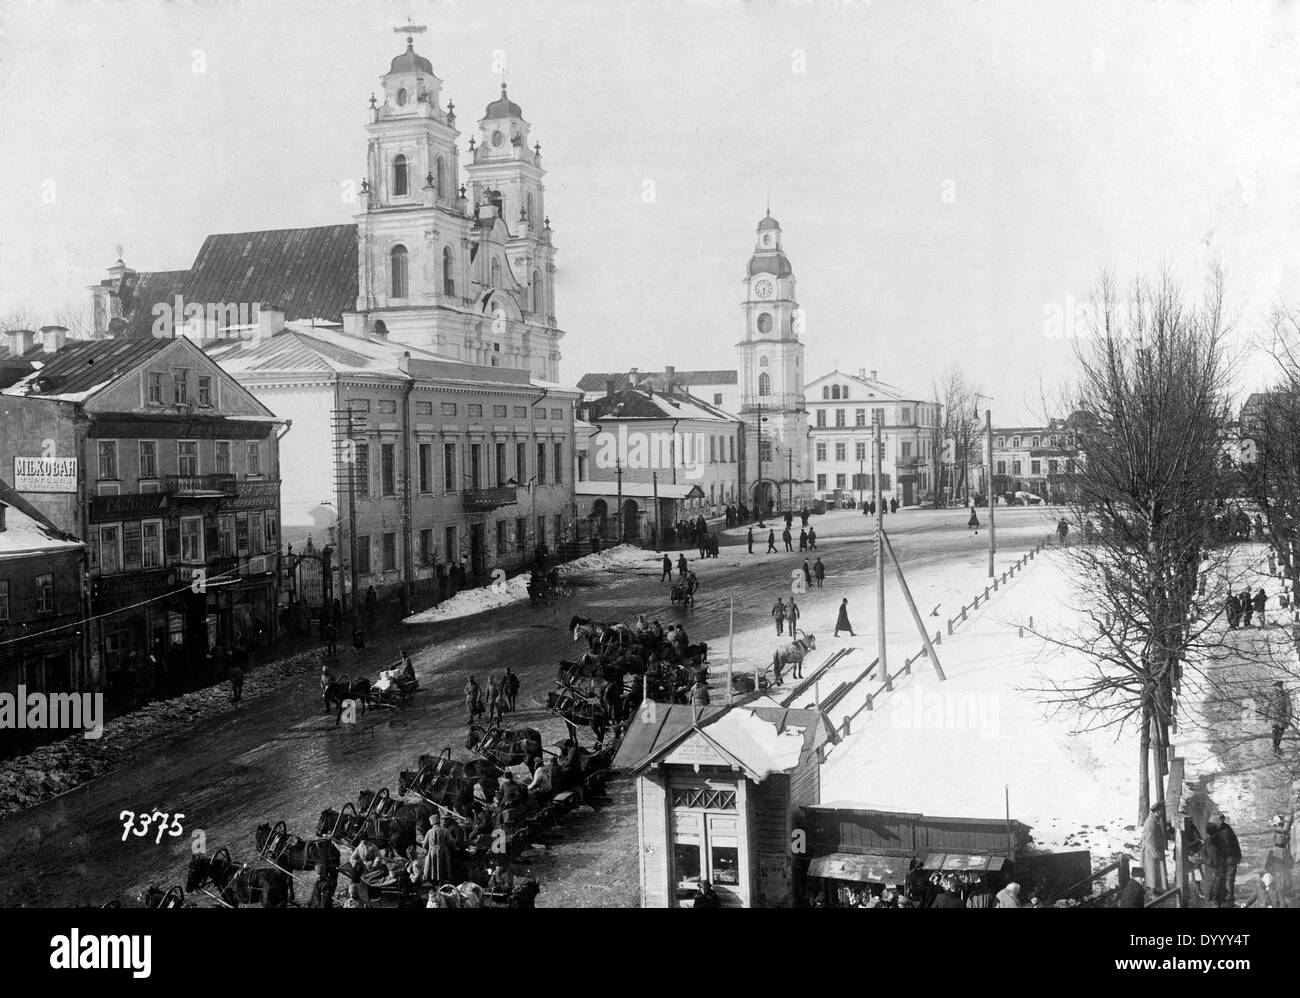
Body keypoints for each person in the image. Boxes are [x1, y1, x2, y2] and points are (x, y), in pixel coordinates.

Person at [1208, 812, 1242, 907]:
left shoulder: (1225, 831)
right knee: (1221, 878)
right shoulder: (1222, 829)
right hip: (1227, 858)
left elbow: (1228, 847)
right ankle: (1221, 899)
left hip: (1231, 858)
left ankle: (1228, 900)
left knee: (1228, 879)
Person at [1141, 801, 1168, 891]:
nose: (1162, 812)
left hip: (1154, 851)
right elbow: (1150, 840)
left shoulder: (1155, 820)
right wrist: (1156, 853)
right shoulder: (1151, 822)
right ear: (1157, 811)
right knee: (1151, 872)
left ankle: (1154, 890)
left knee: (1155, 872)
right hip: (1151, 853)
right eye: (1161, 810)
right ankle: (1152, 893)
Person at [421, 816, 452, 886]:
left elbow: (424, 845)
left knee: (433, 866)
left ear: (431, 823)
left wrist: (430, 846)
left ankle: (434, 881)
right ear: (439, 822)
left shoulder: (429, 832)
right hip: (444, 851)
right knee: (444, 866)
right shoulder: (445, 830)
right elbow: (451, 841)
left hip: (433, 851)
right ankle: (443, 880)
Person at [1267, 681, 1291, 756]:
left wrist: (1288, 718)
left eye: (1278, 686)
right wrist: (1266, 715)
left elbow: (1289, 707)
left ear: (1281, 687)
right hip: (1274, 717)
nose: (1277, 688)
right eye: (1276, 687)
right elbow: (1268, 705)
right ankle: (1275, 748)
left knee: (1280, 733)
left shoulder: (1285, 695)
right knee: (1274, 733)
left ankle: (1277, 747)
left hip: (1282, 718)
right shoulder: (1272, 695)